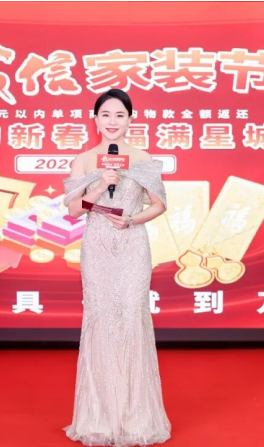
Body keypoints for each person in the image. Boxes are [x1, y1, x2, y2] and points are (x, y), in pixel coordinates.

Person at [62, 89, 172, 446]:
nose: (112, 121)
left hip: (131, 244)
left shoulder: (142, 159)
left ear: (130, 119)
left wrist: (133, 219)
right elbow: (74, 210)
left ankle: (136, 418)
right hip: (97, 246)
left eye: (119, 115)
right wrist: (99, 187)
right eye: (106, 114)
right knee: (101, 319)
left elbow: (159, 205)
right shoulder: (84, 160)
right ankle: (100, 417)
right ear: (95, 119)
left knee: (131, 317)